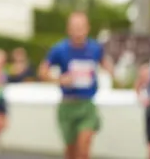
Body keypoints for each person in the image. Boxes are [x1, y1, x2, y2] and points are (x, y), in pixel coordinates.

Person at [38, 11, 115, 159]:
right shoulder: (59, 49)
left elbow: (105, 63)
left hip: (87, 106)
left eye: (81, 27)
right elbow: (42, 71)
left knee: (84, 149)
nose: (78, 31)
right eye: (75, 27)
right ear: (68, 29)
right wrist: (60, 79)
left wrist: (111, 70)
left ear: (88, 28)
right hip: (67, 105)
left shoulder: (95, 48)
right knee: (71, 152)